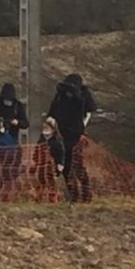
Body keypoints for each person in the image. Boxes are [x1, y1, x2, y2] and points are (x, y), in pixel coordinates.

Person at [47, 73, 97, 203]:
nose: (69, 93)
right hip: (62, 134)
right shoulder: (60, 96)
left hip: (77, 135)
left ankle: (86, 195)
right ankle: (73, 195)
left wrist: (82, 129)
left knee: (78, 165)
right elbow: (52, 114)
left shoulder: (84, 95)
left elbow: (89, 112)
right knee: (66, 166)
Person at [33, 116, 68, 201]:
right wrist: (35, 160)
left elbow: (61, 153)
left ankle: (53, 199)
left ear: (53, 129)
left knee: (51, 182)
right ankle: (40, 198)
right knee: (41, 181)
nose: (45, 128)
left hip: (53, 166)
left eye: (48, 127)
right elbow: (37, 150)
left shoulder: (57, 141)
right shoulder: (41, 139)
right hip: (41, 165)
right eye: (45, 126)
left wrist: (60, 164)